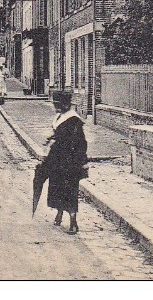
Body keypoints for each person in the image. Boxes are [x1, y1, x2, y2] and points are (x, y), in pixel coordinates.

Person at [34, 99, 88, 234]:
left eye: (57, 105)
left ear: (64, 105)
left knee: (70, 190)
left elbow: (80, 142)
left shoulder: (74, 120)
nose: (55, 108)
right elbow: (59, 134)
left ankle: (73, 223)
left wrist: (79, 161)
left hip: (69, 162)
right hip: (57, 161)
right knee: (57, 188)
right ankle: (59, 215)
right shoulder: (60, 117)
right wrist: (51, 138)